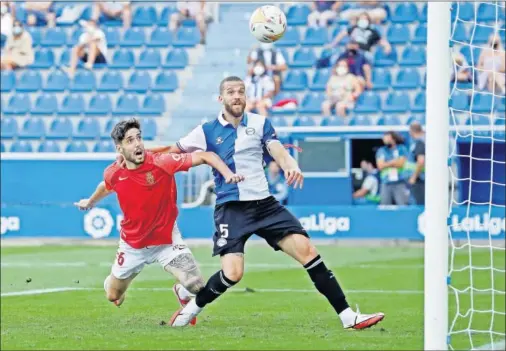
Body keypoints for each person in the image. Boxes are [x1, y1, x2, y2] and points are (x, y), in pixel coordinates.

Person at [156, 76, 384, 329]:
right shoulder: (205, 131)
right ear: (221, 99)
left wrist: (290, 165)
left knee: (309, 253)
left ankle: (348, 317)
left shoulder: (259, 123)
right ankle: (189, 309)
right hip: (232, 208)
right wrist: (140, 158)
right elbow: (172, 150)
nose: (237, 96)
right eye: (231, 92)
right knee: (233, 274)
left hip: (265, 206)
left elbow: (277, 149)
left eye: (241, 91)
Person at [74, 118, 244, 323]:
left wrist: (227, 174)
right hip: (132, 245)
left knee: (196, 286)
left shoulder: (161, 163)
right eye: (130, 140)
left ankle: (182, 292)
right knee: (113, 296)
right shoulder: (114, 172)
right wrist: (90, 201)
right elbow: (106, 185)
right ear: (120, 148)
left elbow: (206, 156)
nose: (137, 143)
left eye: (138, 138)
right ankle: (116, 284)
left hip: (166, 239)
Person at [327, 12, 391, 62]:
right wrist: (333, 44)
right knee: (334, 58)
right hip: (351, 51)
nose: (363, 20)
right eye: (361, 18)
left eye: (365, 19)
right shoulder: (354, 28)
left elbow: (381, 41)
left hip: (365, 52)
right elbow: (341, 34)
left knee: (368, 57)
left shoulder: (373, 31)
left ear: (368, 20)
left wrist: (387, 47)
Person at [375, 131, 410, 206]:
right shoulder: (381, 150)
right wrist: (394, 162)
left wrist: (386, 163)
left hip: (399, 182)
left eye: (387, 138)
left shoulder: (401, 149)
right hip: (386, 183)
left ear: (393, 139)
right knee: (384, 206)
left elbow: (401, 163)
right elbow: (380, 166)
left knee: (402, 206)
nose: (384, 140)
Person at [407, 122, 425, 205]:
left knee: (420, 204)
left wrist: (413, 177)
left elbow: (421, 161)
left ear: (411, 131)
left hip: (420, 179)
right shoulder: (426, 140)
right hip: (423, 177)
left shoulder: (420, 142)